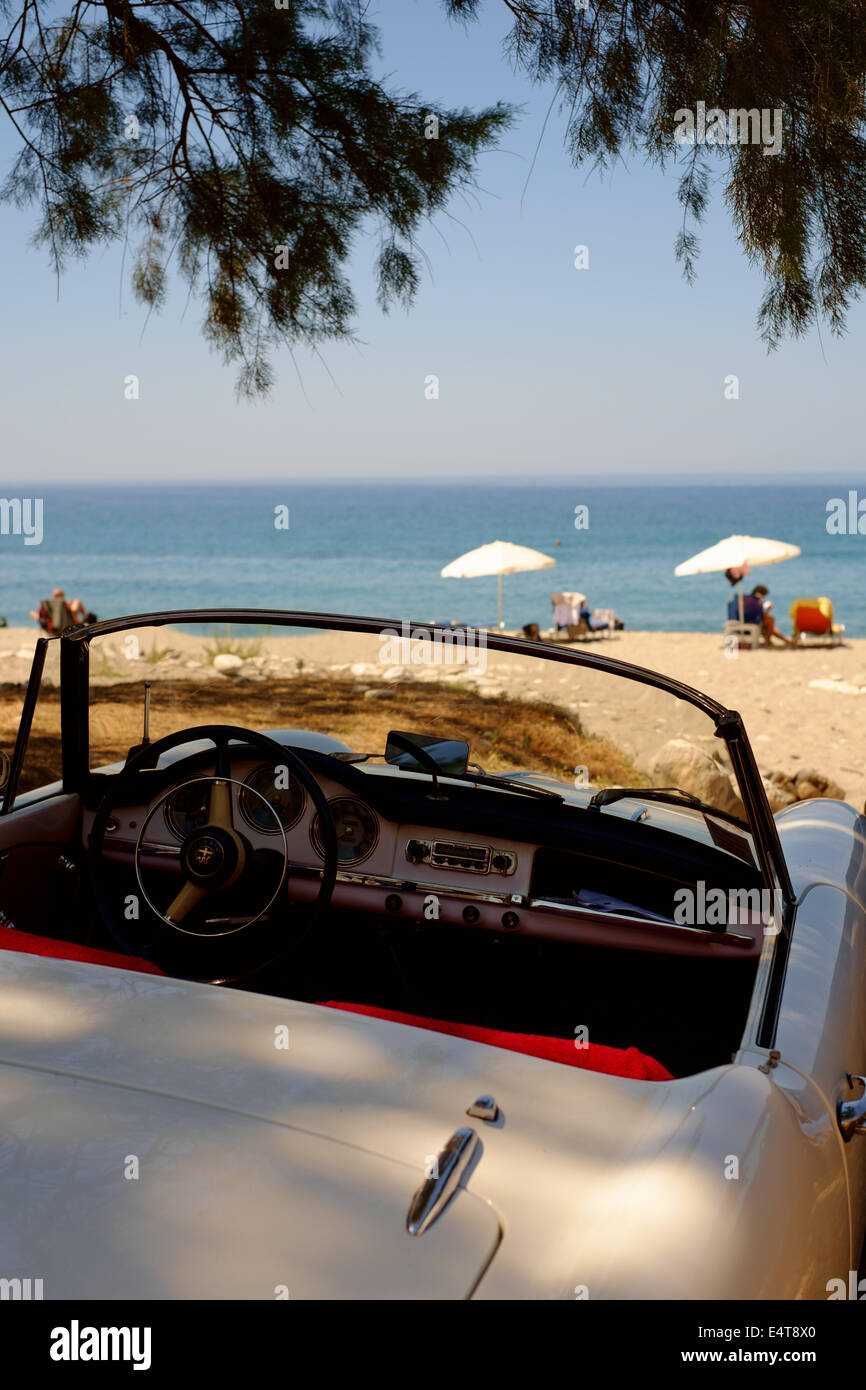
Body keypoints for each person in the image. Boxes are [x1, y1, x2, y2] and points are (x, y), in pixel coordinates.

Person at [29, 588, 94, 633]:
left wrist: (39, 617)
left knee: (33, 614)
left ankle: (84, 619)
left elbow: (33, 614)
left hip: (51, 630)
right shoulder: (65, 603)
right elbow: (73, 609)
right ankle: (85, 618)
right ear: (62, 596)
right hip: (67, 628)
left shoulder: (46, 606)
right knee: (77, 601)